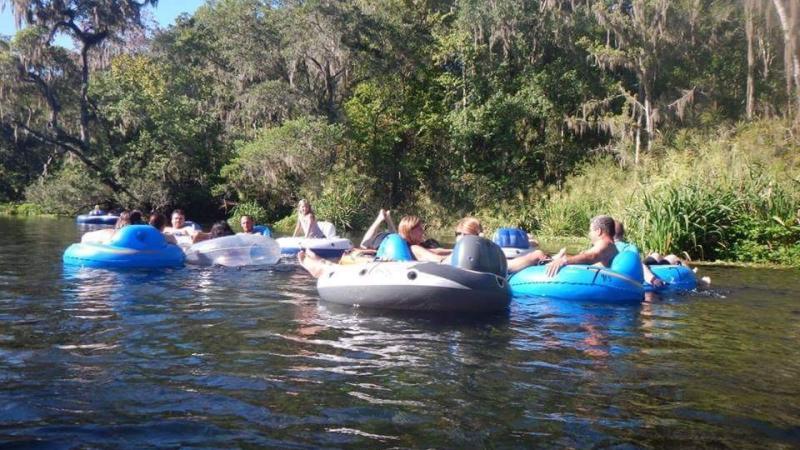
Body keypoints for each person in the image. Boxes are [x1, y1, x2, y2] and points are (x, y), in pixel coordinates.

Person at [545, 215, 619, 277]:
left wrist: (564, 260)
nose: (589, 234)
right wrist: (565, 257)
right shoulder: (609, 246)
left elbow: (592, 256)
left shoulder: (605, 244)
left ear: (598, 231)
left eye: (591, 231)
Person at [613, 220, 664, 288]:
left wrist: (652, 279)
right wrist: (653, 279)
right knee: (656, 256)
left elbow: (639, 264)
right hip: (632, 268)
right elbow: (639, 264)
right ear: (623, 234)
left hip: (633, 267)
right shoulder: (628, 247)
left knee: (656, 256)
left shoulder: (605, 248)